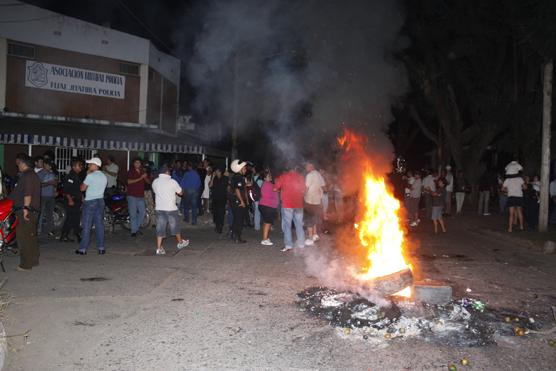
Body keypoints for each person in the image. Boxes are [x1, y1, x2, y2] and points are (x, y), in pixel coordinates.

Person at [9, 154, 41, 271]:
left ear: (23, 163)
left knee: (23, 238)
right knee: (31, 236)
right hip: (31, 210)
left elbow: (28, 193)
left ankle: (25, 264)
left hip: (26, 210)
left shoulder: (27, 175)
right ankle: (33, 260)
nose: (17, 166)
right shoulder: (33, 175)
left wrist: (26, 209)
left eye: (18, 163)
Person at [152, 164, 189, 255]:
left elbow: (155, 191)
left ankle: (158, 248)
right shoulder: (172, 181)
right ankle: (180, 243)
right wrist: (183, 190)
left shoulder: (155, 182)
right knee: (175, 226)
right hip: (171, 208)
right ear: (167, 172)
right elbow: (180, 193)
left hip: (159, 208)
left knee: (160, 227)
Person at [76, 157, 108, 255]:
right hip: (100, 201)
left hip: (90, 201)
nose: (88, 166)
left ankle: (83, 249)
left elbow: (82, 188)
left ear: (95, 165)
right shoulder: (104, 176)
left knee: (87, 225)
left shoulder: (90, 176)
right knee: (99, 225)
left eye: (90, 164)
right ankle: (101, 248)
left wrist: (87, 176)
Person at [274, 164, 305, 252]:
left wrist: (282, 189)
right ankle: (301, 244)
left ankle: (288, 245)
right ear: (295, 168)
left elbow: (275, 188)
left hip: (287, 205)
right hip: (298, 204)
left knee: (287, 226)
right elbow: (304, 190)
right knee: (299, 225)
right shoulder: (300, 177)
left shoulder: (283, 176)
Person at [60, 159, 83, 242]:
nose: (81, 167)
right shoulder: (70, 176)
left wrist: (82, 198)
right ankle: (77, 235)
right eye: (79, 165)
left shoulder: (77, 176)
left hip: (76, 199)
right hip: (71, 200)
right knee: (74, 218)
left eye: (81, 165)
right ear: (73, 167)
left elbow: (78, 189)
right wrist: (70, 199)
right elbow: (66, 190)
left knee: (71, 218)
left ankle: (64, 235)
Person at [304, 160, 326, 246]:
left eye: (307, 166)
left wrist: (303, 195)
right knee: (314, 218)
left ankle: (310, 238)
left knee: (309, 219)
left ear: (311, 166)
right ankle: (315, 235)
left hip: (310, 200)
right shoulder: (319, 174)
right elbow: (324, 187)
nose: (306, 167)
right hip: (317, 200)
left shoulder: (309, 175)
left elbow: (306, 188)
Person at [127, 157, 149, 237]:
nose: (137, 164)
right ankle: (134, 231)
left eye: (139, 163)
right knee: (133, 214)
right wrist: (141, 178)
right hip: (132, 195)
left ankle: (135, 228)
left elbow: (148, 182)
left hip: (140, 195)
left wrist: (145, 176)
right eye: (136, 162)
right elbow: (129, 182)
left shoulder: (142, 171)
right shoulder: (131, 171)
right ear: (133, 163)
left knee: (142, 213)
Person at [230, 159, 249, 243]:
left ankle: (234, 235)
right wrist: (241, 201)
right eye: (244, 168)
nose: (246, 170)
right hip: (238, 202)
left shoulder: (238, 177)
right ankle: (237, 237)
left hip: (236, 201)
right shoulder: (238, 177)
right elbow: (237, 190)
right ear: (240, 169)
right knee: (239, 220)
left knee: (237, 219)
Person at [37, 160, 57, 236]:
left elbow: (55, 183)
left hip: (51, 196)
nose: (50, 167)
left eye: (50, 166)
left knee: (50, 214)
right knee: (41, 213)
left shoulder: (51, 173)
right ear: (44, 165)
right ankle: (38, 230)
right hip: (42, 196)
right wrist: (49, 183)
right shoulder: (40, 174)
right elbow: (38, 185)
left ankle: (50, 230)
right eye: (48, 165)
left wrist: (55, 190)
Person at [259, 169, 278, 246]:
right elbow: (270, 194)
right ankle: (264, 239)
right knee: (268, 222)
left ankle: (265, 237)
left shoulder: (266, 184)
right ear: (264, 178)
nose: (270, 177)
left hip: (265, 205)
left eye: (270, 175)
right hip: (267, 205)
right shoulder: (268, 184)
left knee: (267, 222)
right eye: (268, 176)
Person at [210, 167, 229, 233]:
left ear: (220, 172)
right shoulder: (214, 178)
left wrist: (228, 198)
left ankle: (220, 226)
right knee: (215, 213)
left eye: (217, 171)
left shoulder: (225, 178)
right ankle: (217, 226)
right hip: (215, 198)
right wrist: (212, 177)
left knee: (221, 213)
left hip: (222, 198)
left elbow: (228, 188)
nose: (215, 172)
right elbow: (210, 185)